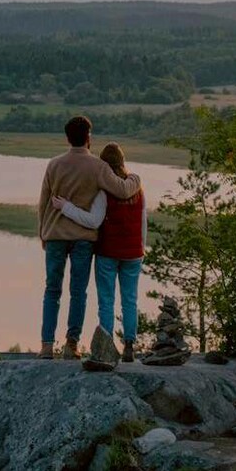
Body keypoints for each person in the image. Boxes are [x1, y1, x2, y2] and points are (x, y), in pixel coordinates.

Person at [38, 116, 142, 360]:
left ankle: (45, 345)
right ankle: (71, 344)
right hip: (84, 239)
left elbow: (43, 203)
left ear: (67, 138)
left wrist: (42, 232)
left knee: (52, 290)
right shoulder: (98, 167)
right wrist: (136, 178)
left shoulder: (54, 165)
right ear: (89, 138)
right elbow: (124, 189)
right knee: (78, 292)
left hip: (54, 235)